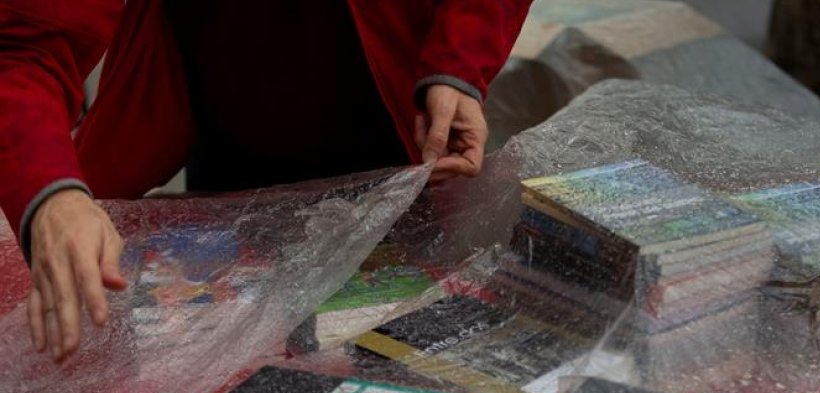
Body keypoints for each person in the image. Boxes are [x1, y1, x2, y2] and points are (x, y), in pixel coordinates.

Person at [0, 0, 532, 362]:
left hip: (395, 117)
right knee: (230, 348)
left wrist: (458, 64)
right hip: (228, 120)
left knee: (405, 343)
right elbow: (25, 43)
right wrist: (51, 192)